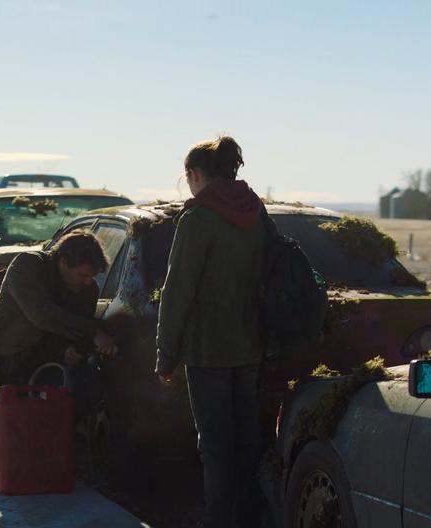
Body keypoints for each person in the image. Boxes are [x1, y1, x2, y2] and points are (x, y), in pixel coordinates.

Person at [155, 135, 266, 527]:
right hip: (251, 347)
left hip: (208, 351)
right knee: (247, 444)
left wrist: (165, 355)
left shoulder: (198, 218)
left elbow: (177, 291)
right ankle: (249, 517)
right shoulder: (256, 211)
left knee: (216, 448)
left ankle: (220, 521)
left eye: (188, 177)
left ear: (197, 174)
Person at [0, 229, 119, 472]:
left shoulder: (87, 289)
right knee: (2, 460)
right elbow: (40, 314)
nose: (88, 282)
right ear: (64, 262)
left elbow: (77, 330)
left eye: (92, 276)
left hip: (47, 362)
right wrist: (93, 330)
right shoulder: (27, 265)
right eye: (83, 275)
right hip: (5, 360)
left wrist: (74, 350)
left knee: (85, 387)